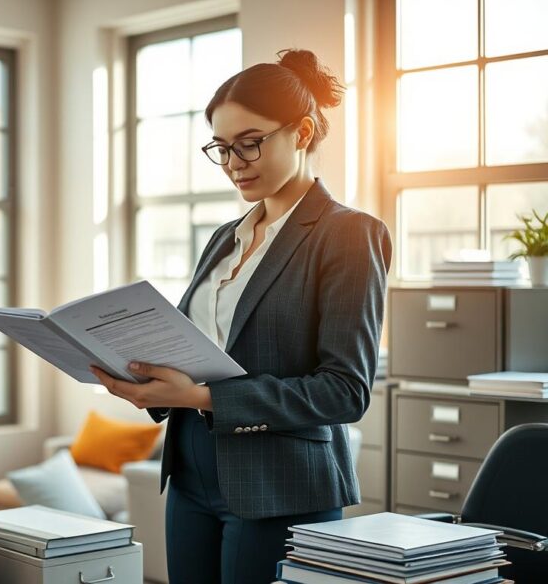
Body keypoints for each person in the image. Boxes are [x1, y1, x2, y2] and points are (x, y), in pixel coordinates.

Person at [90, 48, 392, 584]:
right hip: (188, 471)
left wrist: (202, 397)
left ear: (301, 133)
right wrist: (138, 372)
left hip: (279, 484)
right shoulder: (224, 239)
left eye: (249, 144)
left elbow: (345, 392)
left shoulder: (348, 234)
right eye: (222, 148)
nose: (233, 164)